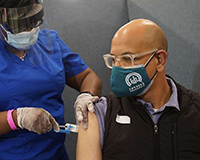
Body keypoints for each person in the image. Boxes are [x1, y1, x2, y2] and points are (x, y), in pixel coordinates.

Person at [0, 0, 102, 159]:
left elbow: (87, 77)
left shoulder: (50, 42)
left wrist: (86, 96)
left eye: (33, 21)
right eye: (20, 25)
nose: (29, 30)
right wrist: (16, 118)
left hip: (52, 154)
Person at [76, 19, 200, 160]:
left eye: (127, 59)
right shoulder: (100, 113)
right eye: (114, 59)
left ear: (159, 60)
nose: (118, 67)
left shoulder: (195, 109)